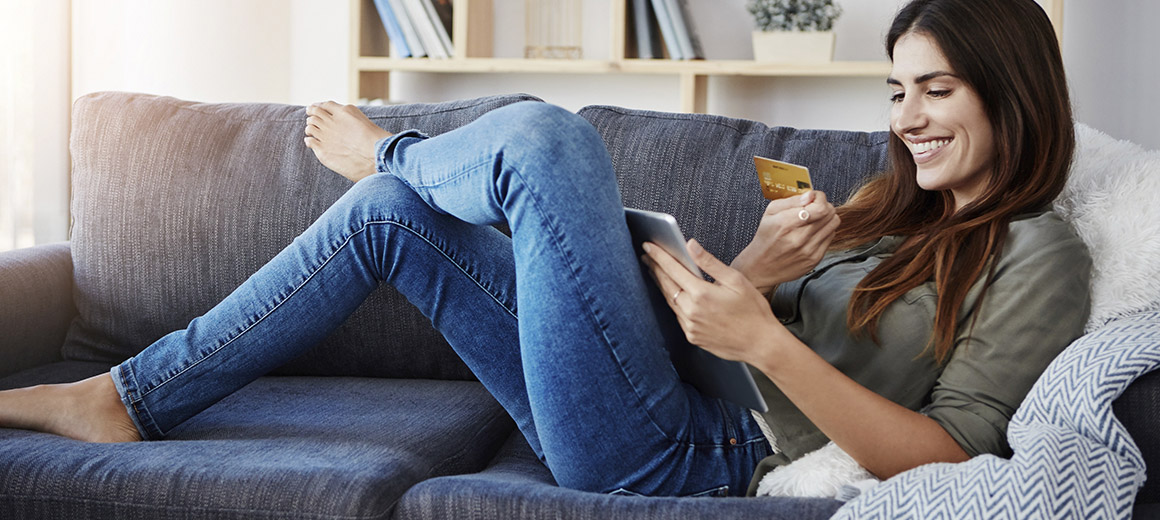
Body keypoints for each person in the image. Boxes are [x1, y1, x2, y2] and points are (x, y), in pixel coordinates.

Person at [0, 0, 1089, 498]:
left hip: (702, 454)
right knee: (397, 221)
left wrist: (766, 341)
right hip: (669, 383)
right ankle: (127, 398)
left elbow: (955, 459)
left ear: (1011, 91)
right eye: (896, 90)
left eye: (935, 90)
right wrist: (753, 276)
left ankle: (388, 151)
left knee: (543, 137)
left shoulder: (1038, 252)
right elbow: (736, 331)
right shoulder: (888, 205)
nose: (905, 117)